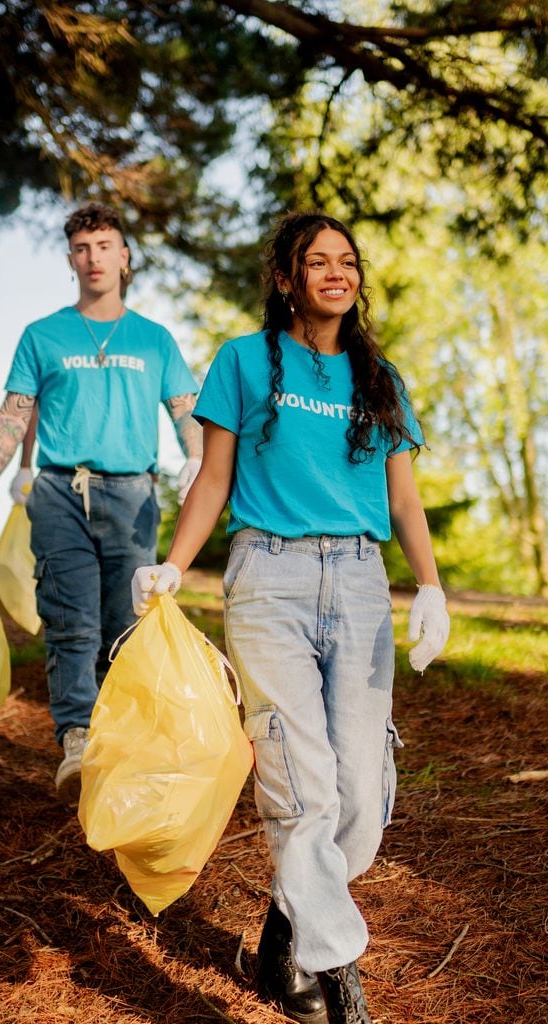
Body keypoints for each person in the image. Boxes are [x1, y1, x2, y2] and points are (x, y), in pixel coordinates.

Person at [131, 211, 449, 1024]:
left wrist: (431, 588)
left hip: (359, 581)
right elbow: (210, 478)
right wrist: (174, 562)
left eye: (347, 261)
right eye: (318, 261)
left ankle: (282, 932)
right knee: (301, 786)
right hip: (267, 577)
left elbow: (404, 498)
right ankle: (339, 977)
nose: (336, 273)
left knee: (360, 799)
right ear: (286, 278)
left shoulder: (382, 381)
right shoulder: (242, 362)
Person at [0, 202, 202, 803]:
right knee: (70, 620)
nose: (94, 258)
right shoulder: (43, 335)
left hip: (133, 496)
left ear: (125, 258)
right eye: (83, 248)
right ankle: (79, 739)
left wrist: (195, 457)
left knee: (124, 624)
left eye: (105, 245)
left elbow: (188, 408)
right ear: (71, 260)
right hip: (60, 490)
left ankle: (119, 737)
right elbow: (14, 414)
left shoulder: (155, 338)